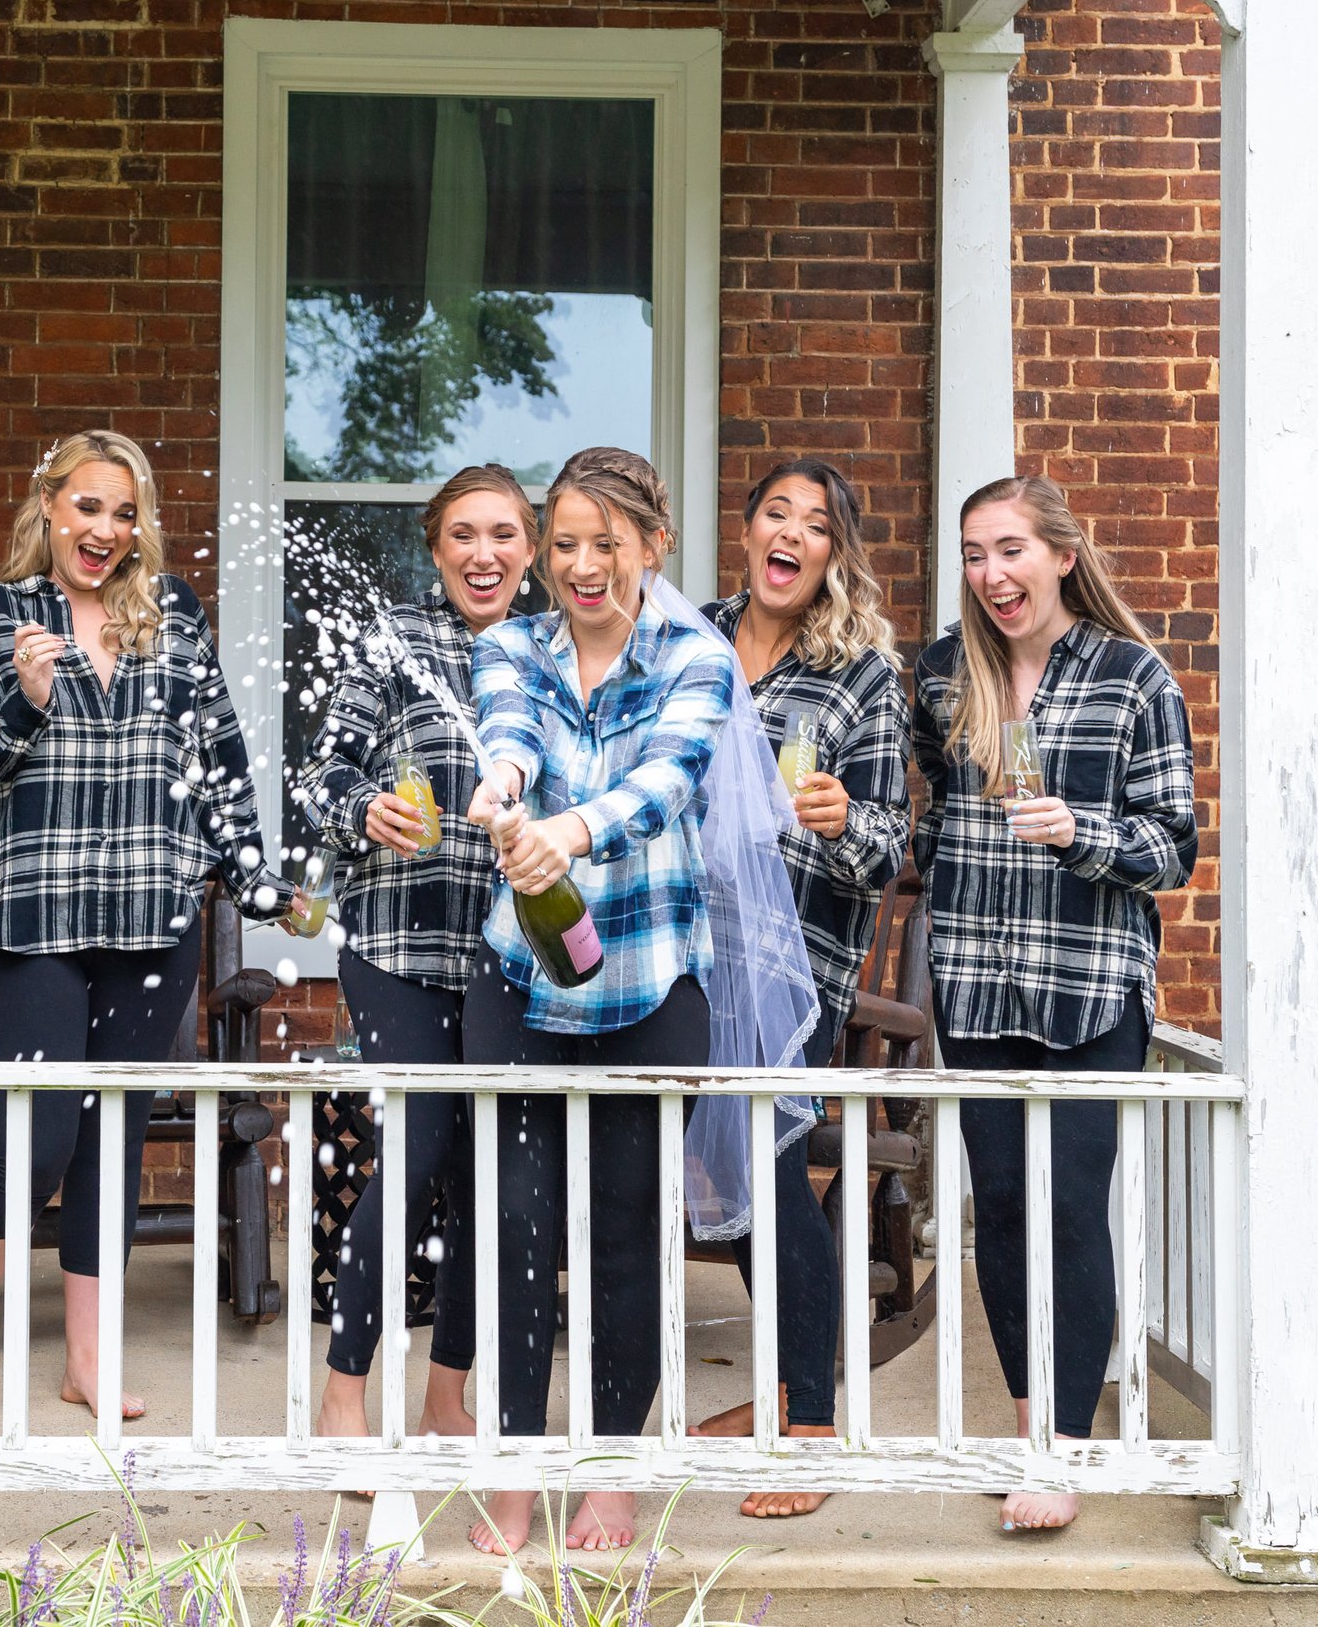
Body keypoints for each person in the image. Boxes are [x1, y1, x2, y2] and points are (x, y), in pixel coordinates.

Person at [0, 429, 285, 1421]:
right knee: (33, 1139)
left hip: (148, 912)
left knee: (112, 1138)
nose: (106, 529)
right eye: (88, 507)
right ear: (49, 507)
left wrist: (257, 878)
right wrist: (26, 706)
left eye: (125, 512)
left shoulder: (170, 617)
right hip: (25, 914)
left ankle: (88, 1356)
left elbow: (218, 759)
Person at [460, 446, 744, 1557]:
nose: (580, 567)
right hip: (522, 982)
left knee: (627, 1236)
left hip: (648, 980)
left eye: (605, 546)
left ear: (653, 545)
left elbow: (665, 782)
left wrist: (566, 832)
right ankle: (520, 1466)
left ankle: (614, 1472)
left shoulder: (697, 657)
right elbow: (510, 733)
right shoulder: (507, 645)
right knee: (520, 1229)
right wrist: (502, 788)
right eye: (564, 545)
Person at [910, 474, 1198, 1532]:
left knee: (1070, 1209)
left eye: (1010, 550)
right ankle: (1031, 1425)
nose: (991, 574)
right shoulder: (945, 673)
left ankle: (1061, 1448)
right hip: (977, 985)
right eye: (974, 554)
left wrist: (1081, 833)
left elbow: (1173, 845)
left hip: (1088, 986)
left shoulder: (1131, 678)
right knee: (1001, 1213)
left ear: (1061, 555)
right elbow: (933, 827)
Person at [299, 464, 538, 1453]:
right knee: (419, 1150)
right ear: (434, 549)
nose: (483, 554)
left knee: (491, 1176)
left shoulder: (550, 648)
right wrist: (362, 808)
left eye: (503, 535)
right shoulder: (391, 639)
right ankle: (344, 1389)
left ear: (528, 549)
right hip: (395, 940)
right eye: (463, 536)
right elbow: (320, 773)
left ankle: (448, 1394)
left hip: (509, 957)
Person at [696, 458, 911, 1519]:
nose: (789, 534)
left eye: (814, 523)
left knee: (771, 1170)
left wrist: (837, 821)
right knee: (723, 1171)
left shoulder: (861, 674)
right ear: (746, 530)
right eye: (773, 513)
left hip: (794, 967)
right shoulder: (687, 638)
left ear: (835, 552)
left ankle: (813, 1420)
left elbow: (889, 841)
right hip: (686, 953)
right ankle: (789, 1386)